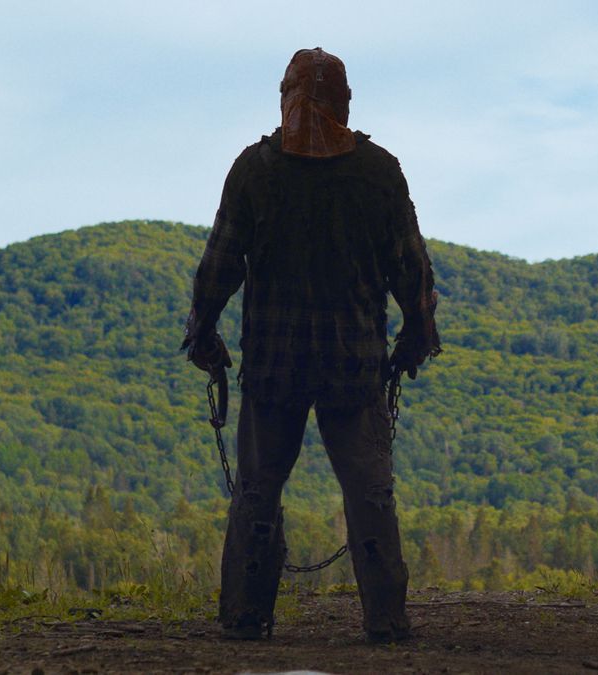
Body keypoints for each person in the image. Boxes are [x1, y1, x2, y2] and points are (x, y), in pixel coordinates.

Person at [181, 47, 440, 643]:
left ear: (286, 96)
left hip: (273, 368)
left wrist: (203, 334)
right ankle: (386, 619)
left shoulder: (254, 170)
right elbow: (411, 270)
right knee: (370, 493)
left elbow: (218, 264)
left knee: (257, 491)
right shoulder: (378, 173)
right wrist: (417, 338)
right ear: (345, 102)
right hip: (354, 366)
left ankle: (246, 615)